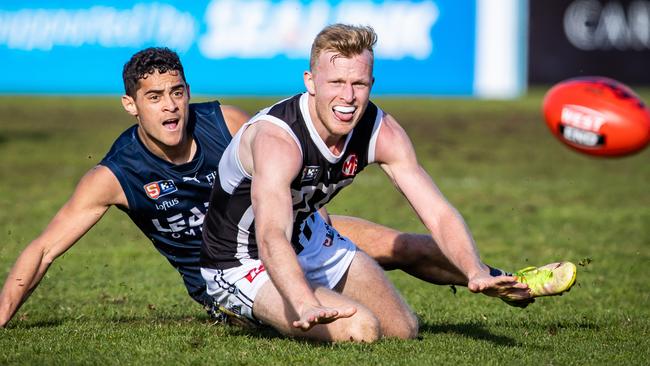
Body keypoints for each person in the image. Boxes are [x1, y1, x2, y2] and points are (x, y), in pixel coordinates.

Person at [0, 46, 573, 329]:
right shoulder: (114, 175)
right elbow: (44, 248)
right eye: (155, 97)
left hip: (289, 225)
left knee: (413, 245)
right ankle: (308, 313)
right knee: (360, 323)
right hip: (226, 262)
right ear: (131, 106)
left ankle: (504, 282)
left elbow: (280, 156)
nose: (171, 106)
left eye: (177, 91)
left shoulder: (222, 118)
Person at [199, 24, 577, 343]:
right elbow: (270, 237)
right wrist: (303, 302)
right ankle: (244, 311)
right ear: (310, 82)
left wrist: (475, 271)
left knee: (402, 329)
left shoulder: (382, 130)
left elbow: (438, 213)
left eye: (359, 83)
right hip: (240, 259)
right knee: (361, 329)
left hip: (308, 235)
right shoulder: (278, 140)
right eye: (336, 82)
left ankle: (496, 276)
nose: (347, 97)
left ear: (371, 82)